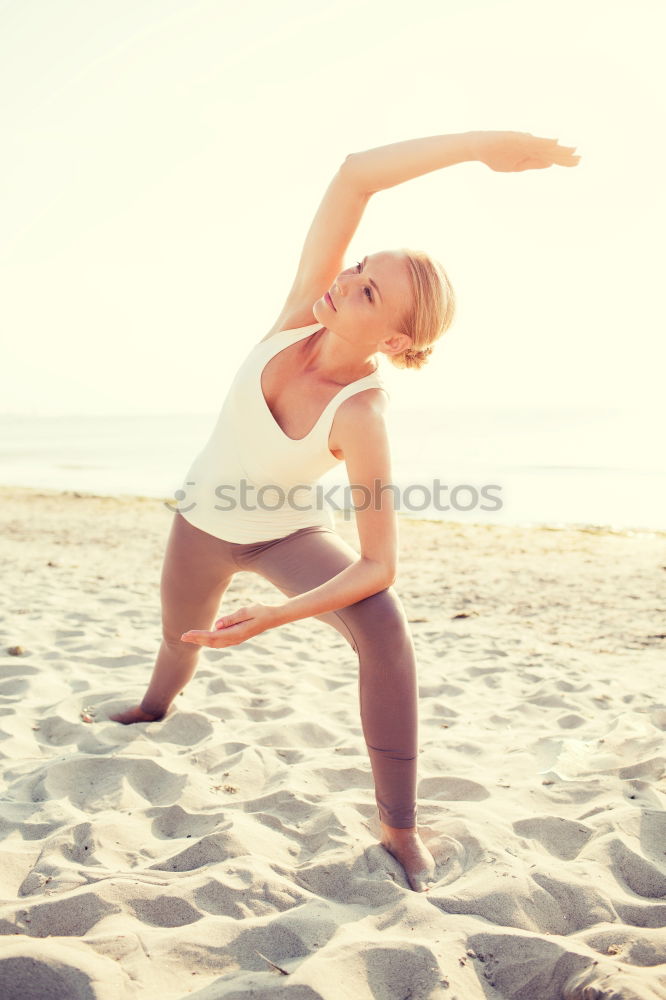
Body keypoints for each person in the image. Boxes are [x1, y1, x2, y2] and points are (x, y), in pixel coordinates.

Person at [110, 130, 580, 892]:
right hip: (200, 519)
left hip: (283, 538)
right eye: (360, 267)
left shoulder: (362, 416)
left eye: (367, 290)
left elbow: (377, 563)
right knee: (177, 643)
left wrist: (275, 618)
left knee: (384, 627)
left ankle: (399, 827)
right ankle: (154, 708)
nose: (347, 280)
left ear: (395, 338)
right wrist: (480, 149)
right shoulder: (301, 314)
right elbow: (355, 176)